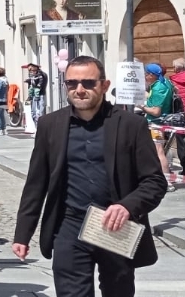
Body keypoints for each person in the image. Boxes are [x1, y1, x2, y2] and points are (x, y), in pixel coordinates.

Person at [13, 56, 169, 297]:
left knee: (118, 291)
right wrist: (23, 234)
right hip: (69, 225)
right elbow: (36, 183)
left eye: (88, 83)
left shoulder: (131, 125)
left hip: (115, 227)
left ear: (104, 86)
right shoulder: (49, 125)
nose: (79, 90)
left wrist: (127, 206)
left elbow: (155, 181)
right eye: (72, 84)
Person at [140, 63, 177, 185]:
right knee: (160, 151)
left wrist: (142, 107)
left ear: (152, 75)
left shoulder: (157, 88)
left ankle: (167, 182)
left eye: (146, 74)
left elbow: (156, 111)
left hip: (156, 122)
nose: (145, 76)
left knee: (159, 152)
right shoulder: (165, 82)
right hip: (163, 120)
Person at [24, 64, 48, 132]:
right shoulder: (32, 76)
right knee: (33, 112)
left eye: (31, 70)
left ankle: (41, 130)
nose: (30, 72)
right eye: (29, 70)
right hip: (34, 95)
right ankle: (37, 129)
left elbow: (41, 83)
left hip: (40, 94)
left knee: (39, 112)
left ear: (35, 69)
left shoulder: (41, 75)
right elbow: (31, 84)